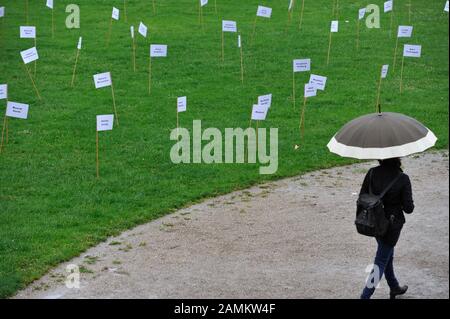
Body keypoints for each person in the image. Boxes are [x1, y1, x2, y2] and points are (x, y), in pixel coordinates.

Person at [360, 157, 415, 299]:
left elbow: (362, 196)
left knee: (385, 255)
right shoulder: (402, 178)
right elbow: (409, 208)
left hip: (374, 222)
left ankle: (394, 287)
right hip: (392, 226)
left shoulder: (372, 172)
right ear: (398, 157)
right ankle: (365, 296)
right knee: (381, 261)